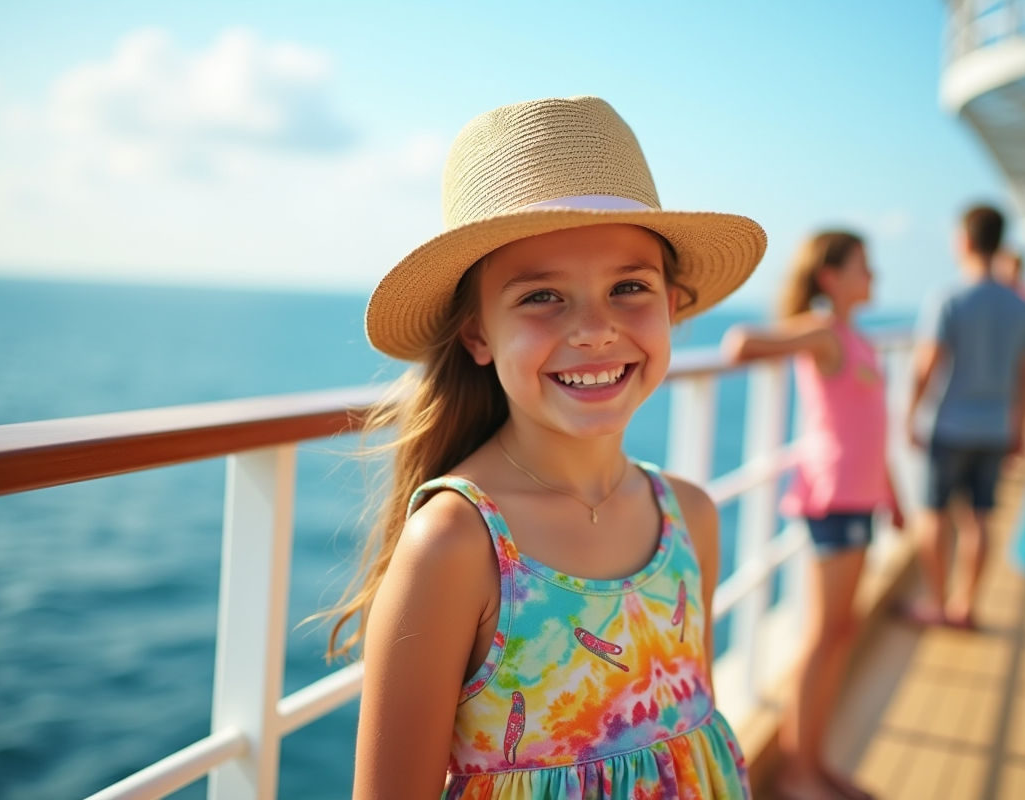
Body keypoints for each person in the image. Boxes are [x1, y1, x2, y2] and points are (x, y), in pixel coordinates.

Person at [325, 96, 767, 800]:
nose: (594, 331)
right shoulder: (456, 546)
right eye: (542, 297)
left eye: (629, 287)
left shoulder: (691, 518)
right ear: (477, 335)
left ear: (673, 305)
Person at [723, 231, 903, 800]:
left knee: (842, 630)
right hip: (833, 501)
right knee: (822, 635)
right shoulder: (825, 332)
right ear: (831, 276)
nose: (873, 276)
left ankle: (817, 761)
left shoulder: (857, 340)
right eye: (863, 266)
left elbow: (873, 427)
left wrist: (894, 495)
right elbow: (740, 344)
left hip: (862, 500)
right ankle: (800, 773)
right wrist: (776, 336)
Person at [905, 205, 1025, 630]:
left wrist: (911, 413)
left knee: (934, 514)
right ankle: (965, 606)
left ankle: (935, 601)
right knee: (980, 517)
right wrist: (1021, 428)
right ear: (1000, 242)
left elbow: (927, 364)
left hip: (949, 425)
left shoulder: (948, 297)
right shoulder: (1021, 307)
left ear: (963, 240)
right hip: (996, 426)